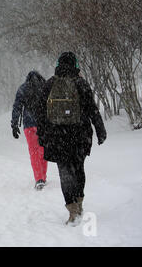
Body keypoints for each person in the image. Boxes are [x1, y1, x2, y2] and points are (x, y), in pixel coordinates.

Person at [36, 52, 107, 226]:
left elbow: (40, 113)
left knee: (65, 173)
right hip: (80, 136)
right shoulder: (81, 83)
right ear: (75, 65)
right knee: (79, 169)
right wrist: (100, 130)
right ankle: (79, 203)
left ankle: (72, 211)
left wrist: (42, 136)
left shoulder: (49, 84)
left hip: (57, 138)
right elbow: (92, 109)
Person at [11, 71, 48, 190]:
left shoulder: (23, 88)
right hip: (43, 124)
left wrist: (14, 124)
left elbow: (17, 107)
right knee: (42, 150)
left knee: (33, 151)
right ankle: (43, 176)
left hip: (29, 125)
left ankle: (38, 179)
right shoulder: (45, 86)